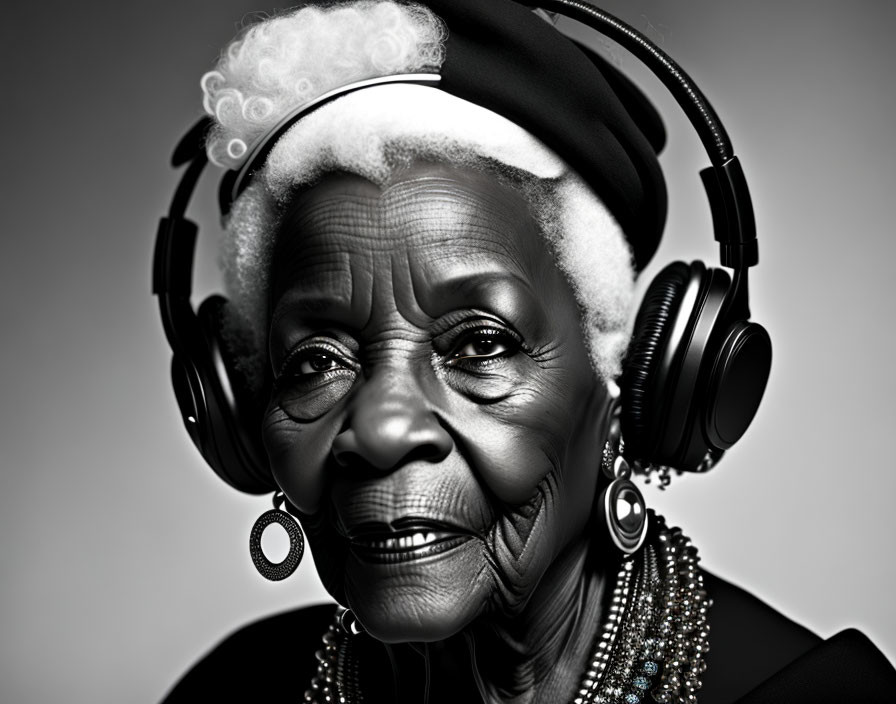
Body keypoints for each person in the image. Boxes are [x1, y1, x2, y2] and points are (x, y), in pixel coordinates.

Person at [155, 1, 896, 701]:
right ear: (244, 415)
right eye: (316, 361)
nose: (379, 431)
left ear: (624, 386)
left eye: (479, 344)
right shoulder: (229, 688)